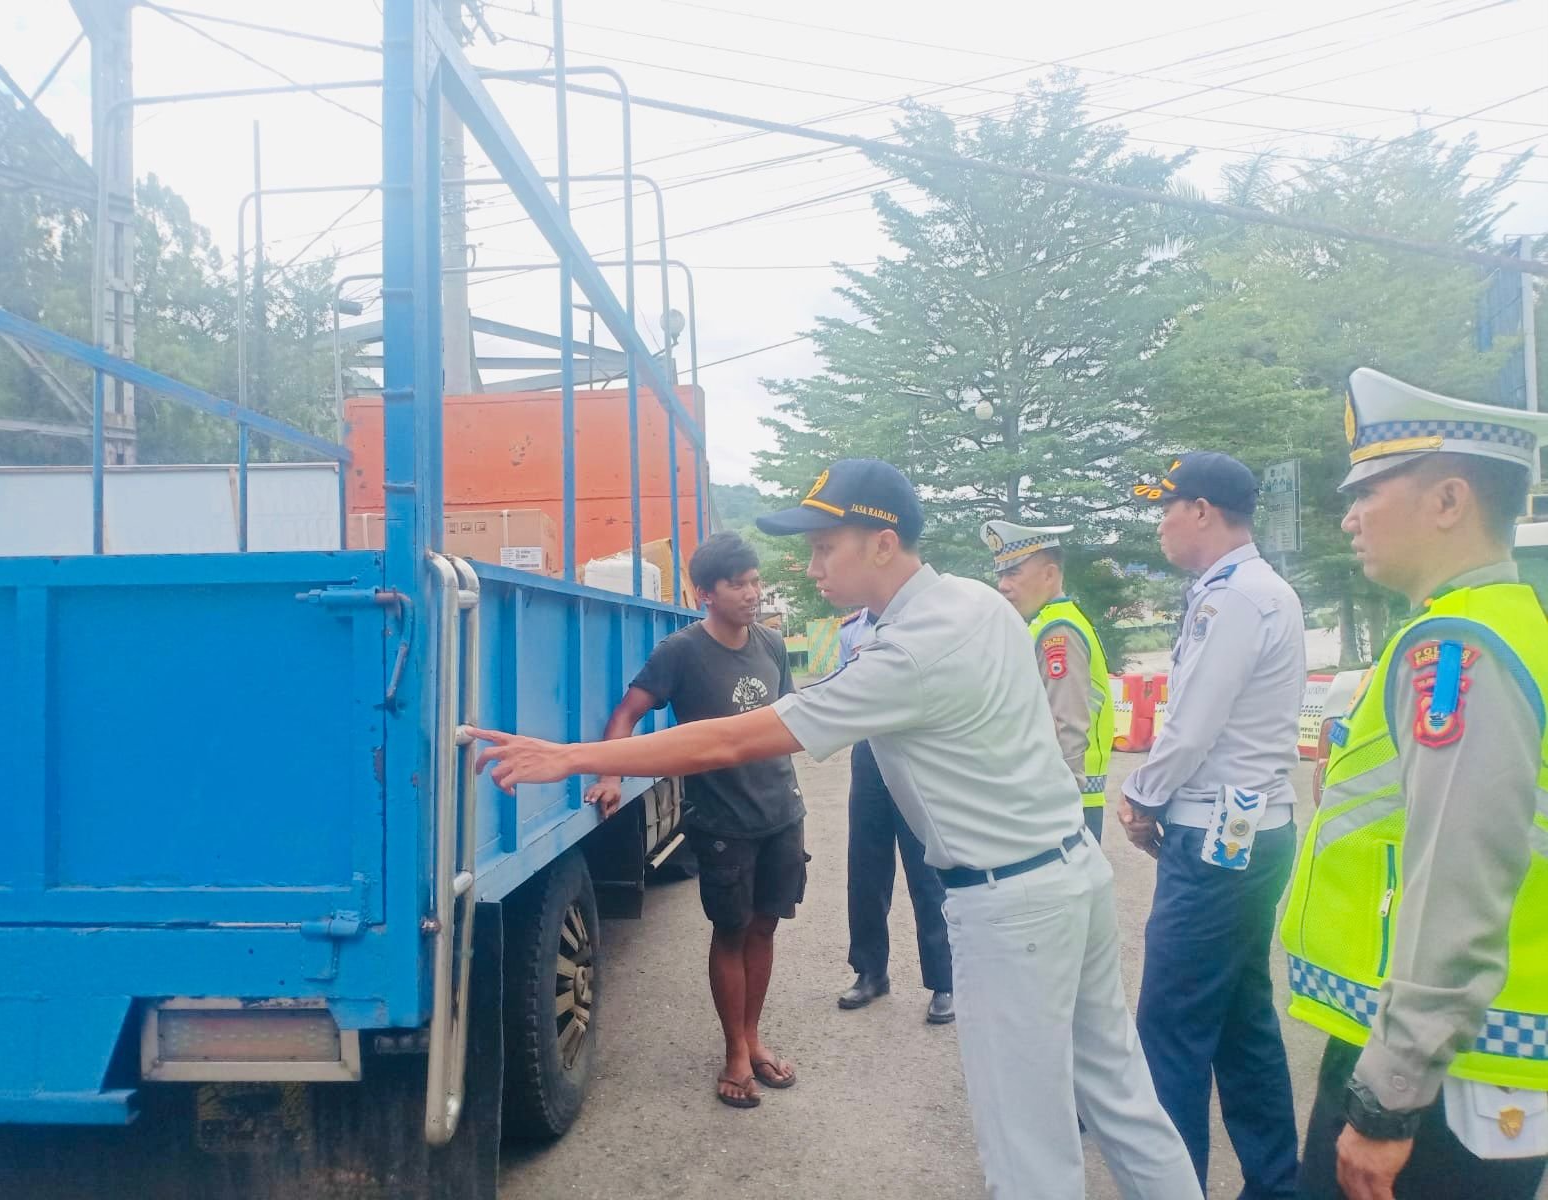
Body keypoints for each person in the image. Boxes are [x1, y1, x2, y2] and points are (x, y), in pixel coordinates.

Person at [474, 459, 1201, 1199]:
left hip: (1011, 908)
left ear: (882, 544)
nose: (810, 566)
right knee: (1123, 1100)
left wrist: (569, 756)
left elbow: (729, 739)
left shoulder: (911, 650)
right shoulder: (975, 602)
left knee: (1027, 1150)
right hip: (1069, 875)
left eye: (826, 546)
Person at [1278, 369, 1548, 1200]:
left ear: (1448, 501)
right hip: (1453, 1053)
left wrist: (1387, 1099)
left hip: (1441, 1077)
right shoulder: (1494, 626)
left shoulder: (1458, 651)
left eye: (1368, 489)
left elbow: (1455, 883)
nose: (1348, 515)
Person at [1120, 451, 1307, 1198]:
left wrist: (1141, 795)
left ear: (1200, 510)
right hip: (1254, 830)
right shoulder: (1260, 591)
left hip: (1214, 835)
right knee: (1239, 1019)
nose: (1159, 524)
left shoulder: (1229, 597)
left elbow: (1193, 723)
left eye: (1165, 508)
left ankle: (1172, 1188)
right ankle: (1273, 1182)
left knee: (1169, 1030)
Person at [582, 531, 806, 1111]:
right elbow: (629, 711)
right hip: (724, 819)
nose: (752, 593)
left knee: (765, 927)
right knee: (730, 931)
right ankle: (734, 1051)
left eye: (756, 581)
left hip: (782, 811)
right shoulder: (680, 652)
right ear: (705, 592)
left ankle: (754, 1038)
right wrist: (609, 774)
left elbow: (785, 719)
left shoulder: (774, 645)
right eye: (738, 584)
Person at [833, 605, 954, 1024]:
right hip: (869, 752)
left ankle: (944, 981)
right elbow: (844, 686)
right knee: (865, 868)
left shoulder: (927, 620)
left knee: (928, 872)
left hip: (918, 753)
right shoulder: (851, 631)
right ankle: (870, 972)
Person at [981, 520, 1115, 843]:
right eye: (1000, 574)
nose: (1003, 585)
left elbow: (1066, 724)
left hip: (1065, 803)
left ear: (1049, 575)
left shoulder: (1058, 632)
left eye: (1013, 573)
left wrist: (1057, 804)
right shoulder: (1045, 623)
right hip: (1061, 799)